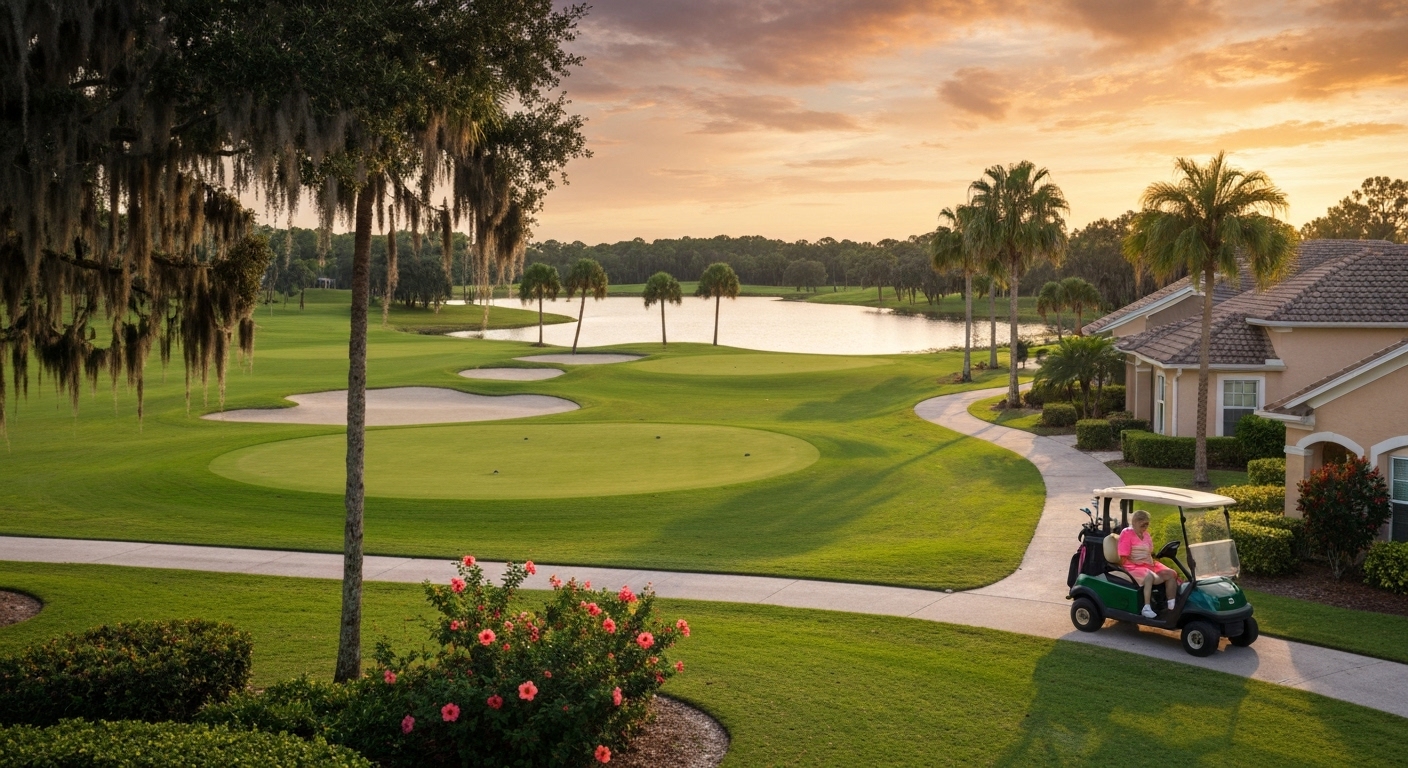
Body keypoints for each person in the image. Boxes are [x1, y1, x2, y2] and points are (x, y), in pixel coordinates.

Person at [1119, 510, 1179, 619]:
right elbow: (1123, 556)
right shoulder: (1127, 533)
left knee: (1171, 573)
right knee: (1149, 576)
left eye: (1147, 524)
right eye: (1143, 525)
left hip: (1148, 564)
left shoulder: (1145, 534)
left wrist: (1151, 564)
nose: (1145, 527)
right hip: (1132, 565)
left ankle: (1171, 607)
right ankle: (1146, 608)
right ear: (1135, 522)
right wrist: (1126, 568)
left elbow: (1150, 551)